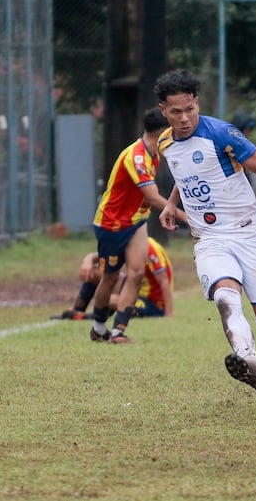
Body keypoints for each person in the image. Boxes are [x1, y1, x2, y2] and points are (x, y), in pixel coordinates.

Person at [154, 68, 256, 392]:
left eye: (190, 109)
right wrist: (172, 202)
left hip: (249, 232)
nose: (184, 118)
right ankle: (249, 361)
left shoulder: (221, 133)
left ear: (197, 103)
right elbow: (185, 174)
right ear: (163, 111)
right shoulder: (165, 144)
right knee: (226, 298)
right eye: (176, 112)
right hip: (210, 238)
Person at [89, 108, 187, 344]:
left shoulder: (154, 153)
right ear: (163, 133)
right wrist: (188, 218)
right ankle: (98, 327)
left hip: (136, 222)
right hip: (111, 224)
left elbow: (144, 199)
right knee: (110, 278)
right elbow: (153, 197)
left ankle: (118, 331)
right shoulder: (137, 156)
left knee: (136, 273)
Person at [53, 237, 174, 320]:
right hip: (134, 287)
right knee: (94, 273)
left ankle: (86, 318)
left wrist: (168, 315)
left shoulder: (148, 249)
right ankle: (77, 310)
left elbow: (164, 281)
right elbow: (99, 256)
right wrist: (87, 261)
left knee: (110, 300)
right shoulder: (126, 241)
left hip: (152, 302)